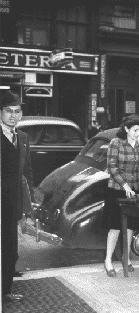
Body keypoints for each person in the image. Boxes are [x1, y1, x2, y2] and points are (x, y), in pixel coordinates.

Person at [103, 115, 139, 277]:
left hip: (136, 189)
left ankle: (126, 257)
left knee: (130, 224)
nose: (138, 133)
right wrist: (124, 185)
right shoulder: (115, 143)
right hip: (117, 190)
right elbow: (112, 167)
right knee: (115, 226)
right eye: (135, 130)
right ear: (126, 129)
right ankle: (108, 260)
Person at [1, 91, 34, 302]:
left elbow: (27, 171)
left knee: (10, 249)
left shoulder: (22, 138)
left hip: (12, 201)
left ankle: (5, 291)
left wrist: (29, 201)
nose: (13, 116)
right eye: (8, 111)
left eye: (17, 111)